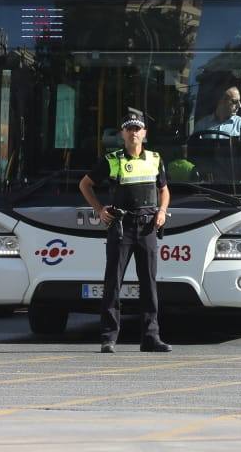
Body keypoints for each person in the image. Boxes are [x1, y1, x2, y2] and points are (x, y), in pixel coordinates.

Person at [78, 110, 172, 354]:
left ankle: (151, 337)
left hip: (148, 226)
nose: (133, 133)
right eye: (129, 129)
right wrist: (99, 210)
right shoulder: (112, 160)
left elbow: (164, 190)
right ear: (122, 134)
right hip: (122, 228)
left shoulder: (155, 158)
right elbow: (85, 184)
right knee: (113, 284)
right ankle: (108, 337)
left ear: (144, 134)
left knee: (149, 284)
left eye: (137, 129)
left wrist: (162, 211)